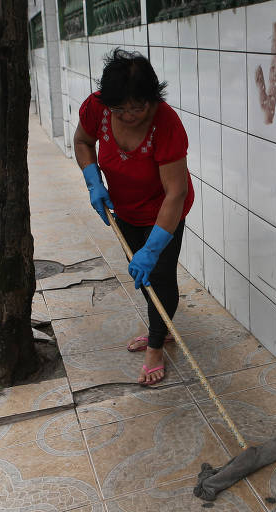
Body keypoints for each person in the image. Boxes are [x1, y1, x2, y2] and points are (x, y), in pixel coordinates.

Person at [73, 49, 194, 386]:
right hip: (123, 209)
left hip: (163, 212)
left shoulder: (166, 123)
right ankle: (162, 325)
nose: (127, 115)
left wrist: (154, 246)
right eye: (119, 109)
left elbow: (176, 192)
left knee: (160, 273)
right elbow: (82, 141)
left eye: (137, 107)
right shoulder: (97, 107)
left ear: (152, 99)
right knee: (142, 276)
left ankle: (156, 346)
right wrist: (92, 179)